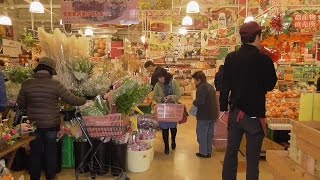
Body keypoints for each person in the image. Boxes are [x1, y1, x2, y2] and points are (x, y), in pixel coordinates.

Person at [220, 21, 277, 180]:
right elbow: (270, 85)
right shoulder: (264, 60)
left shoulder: (231, 57)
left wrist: (223, 108)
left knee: (231, 153)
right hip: (254, 117)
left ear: (241, 38)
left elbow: (225, 86)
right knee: (252, 160)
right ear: (258, 37)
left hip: (236, 113)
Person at [17, 57, 86, 180]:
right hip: (51, 125)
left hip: (33, 125)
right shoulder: (55, 84)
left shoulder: (27, 83)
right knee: (51, 151)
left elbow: (20, 104)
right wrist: (85, 99)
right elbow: (71, 99)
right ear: (51, 70)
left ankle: (34, 177)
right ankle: (51, 176)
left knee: (35, 152)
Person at [153, 68, 180, 155]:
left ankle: (173, 141)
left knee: (173, 128)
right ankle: (166, 146)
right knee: (164, 129)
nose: (160, 79)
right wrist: (161, 98)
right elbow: (155, 96)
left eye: (162, 77)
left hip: (173, 109)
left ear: (165, 76)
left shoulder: (173, 82)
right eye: (159, 78)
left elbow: (178, 94)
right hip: (162, 109)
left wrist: (171, 97)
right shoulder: (157, 85)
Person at [192, 71, 218, 158]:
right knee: (209, 134)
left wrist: (194, 102)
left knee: (202, 134)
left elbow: (200, 101)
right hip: (213, 114)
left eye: (195, 80)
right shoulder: (211, 87)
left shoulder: (201, 88)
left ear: (199, 79)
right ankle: (208, 152)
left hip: (204, 115)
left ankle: (203, 152)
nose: (194, 82)